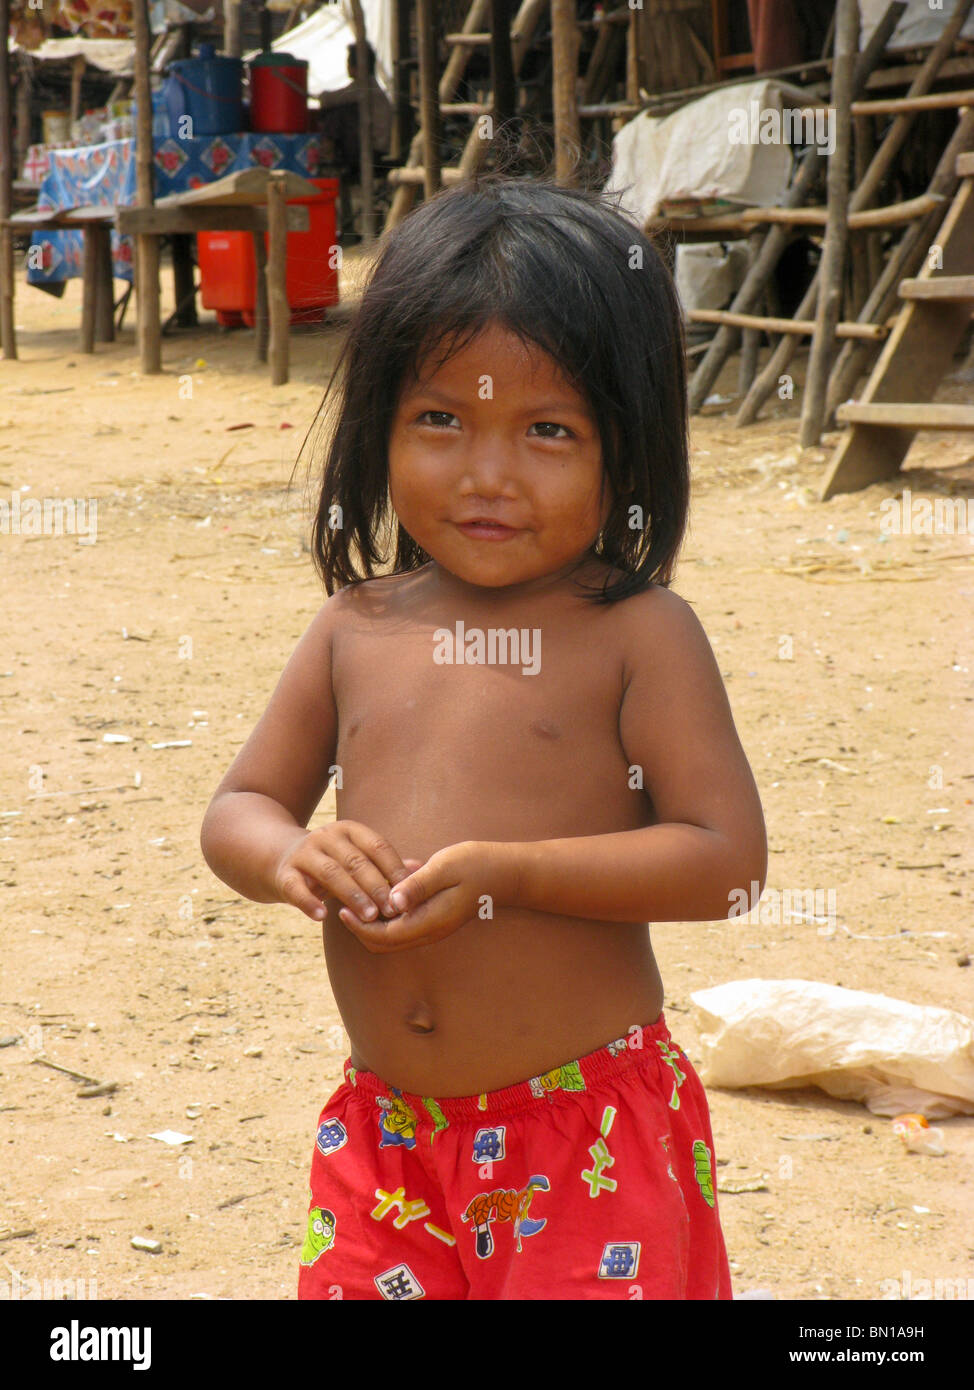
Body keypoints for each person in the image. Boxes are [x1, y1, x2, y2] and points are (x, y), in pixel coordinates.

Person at [200, 171, 767, 1301]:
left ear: (627, 447)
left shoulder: (636, 634)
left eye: (547, 429)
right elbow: (237, 810)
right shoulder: (353, 627)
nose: (488, 474)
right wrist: (285, 855)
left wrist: (517, 873)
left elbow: (724, 862)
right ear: (379, 426)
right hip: (385, 1138)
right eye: (441, 419)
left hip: (581, 1136)